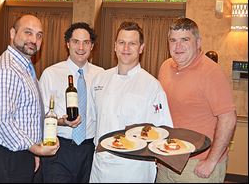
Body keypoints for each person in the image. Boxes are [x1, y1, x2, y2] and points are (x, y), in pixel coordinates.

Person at [89, 21, 173, 183]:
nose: (126, 48)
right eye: (121, 43)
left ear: (141, 48)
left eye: (132, 43)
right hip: (101, 163)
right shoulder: (100, 79)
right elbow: (93, 120)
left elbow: (163, 129)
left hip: (134, 167)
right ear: (115, 46)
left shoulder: (152, 86)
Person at [157, 18, 237, 183]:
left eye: (185, 40)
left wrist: (211, 161)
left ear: (198, 42)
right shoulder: (165, 67)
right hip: (168, 158)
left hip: (198, 164)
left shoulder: (211, 72)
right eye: (173, 40)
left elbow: (228, 119)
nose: (178, 46)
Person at [0, 14, 60, 183]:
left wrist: (32, 150)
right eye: (28, 32)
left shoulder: (24, 67)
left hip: (20, 154)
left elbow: (27, 116)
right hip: (7, 159)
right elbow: (2, 122)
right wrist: (34, 148)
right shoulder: (7, 70)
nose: (34, 39)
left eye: (39, 35)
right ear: (12, 33)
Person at [39, 22, 104, 183]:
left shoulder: (102, 75)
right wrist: (62, 121)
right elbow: (39, 114)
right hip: (59, 148)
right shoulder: (51, 74)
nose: (81, 47)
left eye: (86, 42)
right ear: (67, 44)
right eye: (76, 41)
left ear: (92, 46)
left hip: (90, 150)